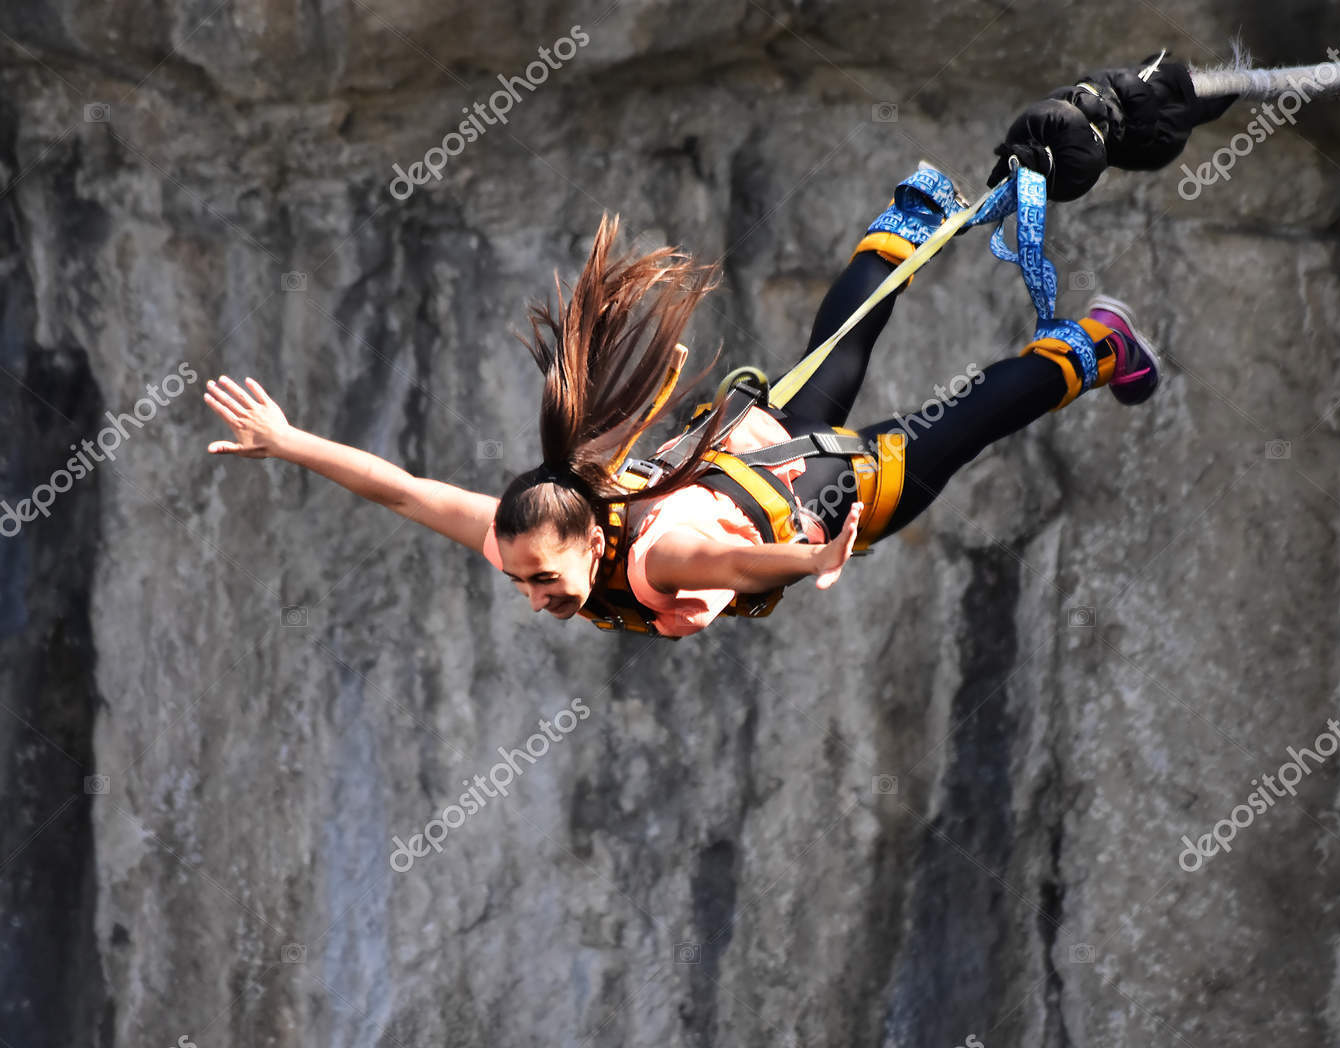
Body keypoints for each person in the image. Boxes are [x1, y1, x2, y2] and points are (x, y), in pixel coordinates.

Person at [204, 54, 1232, 639]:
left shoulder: (653, 557)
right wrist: (292, 443)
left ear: (592, 541)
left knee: (970, 417)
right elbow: (401, 489)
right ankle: (910, 220)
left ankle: (1097, 341)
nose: (529, 595)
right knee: (831, 350)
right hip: (754, 443)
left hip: (829, 490)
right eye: (522, 581)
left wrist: (815, 553)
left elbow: (735, 561)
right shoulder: (546, 521)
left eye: (538, 581)